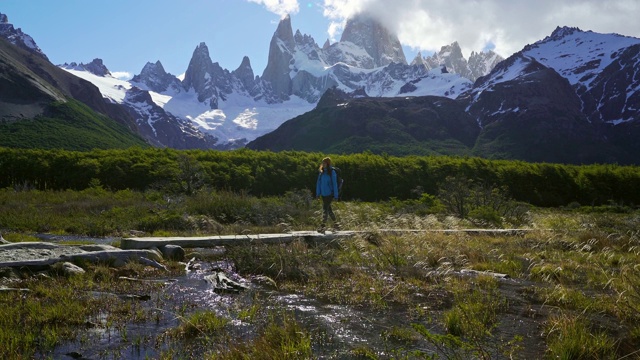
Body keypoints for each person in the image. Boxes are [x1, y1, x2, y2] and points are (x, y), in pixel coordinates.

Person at [316, 157, 340, 231]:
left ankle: (322, 226)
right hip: (323, 194)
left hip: (330, 194)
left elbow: (335, 184)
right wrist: (318, 194)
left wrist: (336, 195)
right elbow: (319, 184)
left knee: (325, 209)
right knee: (329, 210)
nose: (323, 164)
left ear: (328, 163)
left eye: (324, 163)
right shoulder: (321, 172)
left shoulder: (332, 172)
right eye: (322, 163)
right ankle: (336, 225)